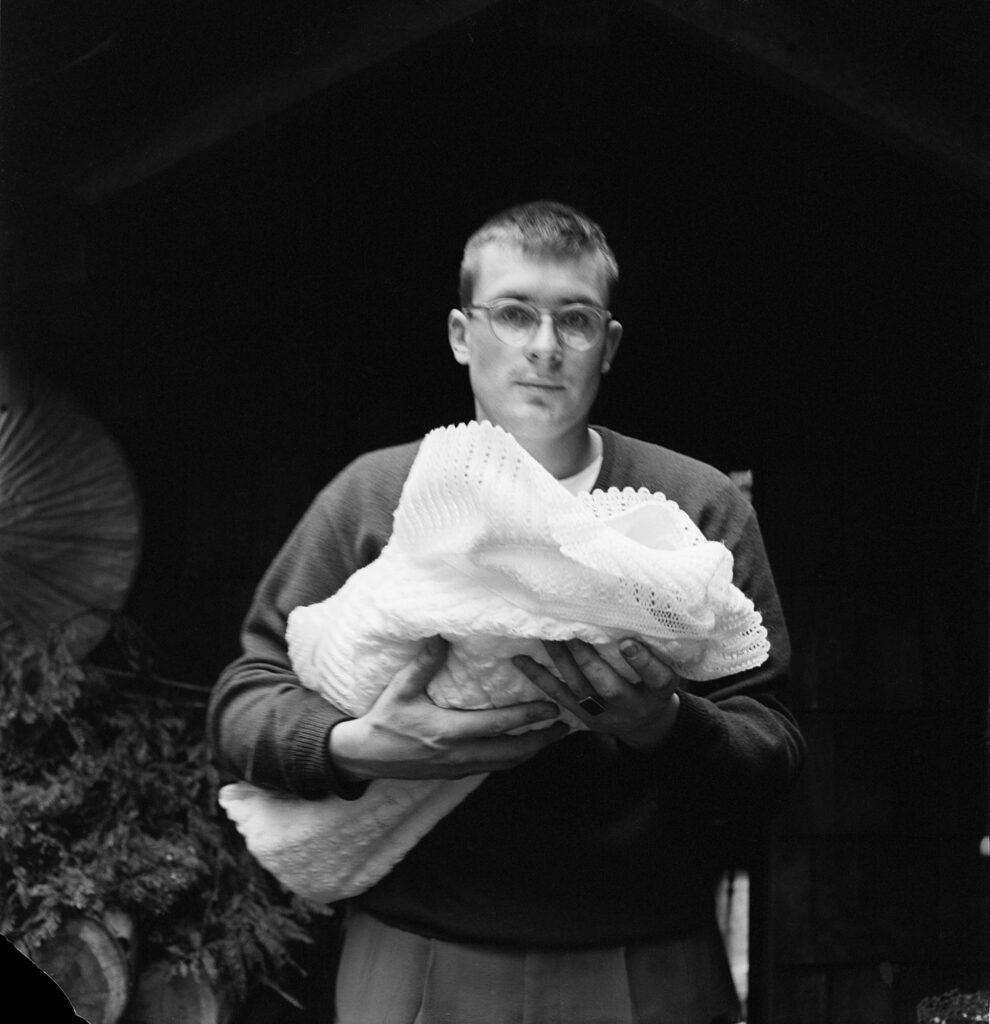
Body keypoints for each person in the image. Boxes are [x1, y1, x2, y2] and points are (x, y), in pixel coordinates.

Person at [207, 201, 805, 1024]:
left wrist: (663, 724)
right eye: (514, 313)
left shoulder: (690, 508)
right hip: (416, 957)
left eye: (576, 320)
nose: (544, 346)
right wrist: (359, 748)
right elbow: (241, 704)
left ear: (610, 344)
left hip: (646, 956)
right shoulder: (377, 495)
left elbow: (775, 749)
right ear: (461, 334)